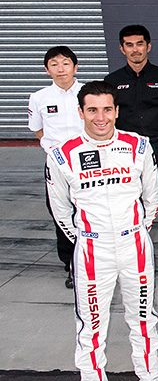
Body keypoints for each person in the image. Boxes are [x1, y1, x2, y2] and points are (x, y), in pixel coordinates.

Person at [46, 81, 158, 381]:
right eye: (92, 110)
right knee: (91, 330)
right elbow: (60, 209)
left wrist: (135, 230)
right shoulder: (62, 154)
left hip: (134, 245)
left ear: (117, 111)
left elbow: (152, 197)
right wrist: (86, 238)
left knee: (144, 319)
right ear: (81, 112)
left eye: (107, 109)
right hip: (92, 250)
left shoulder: (138, 145)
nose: (100, 117)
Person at [104, 25, 158, 271]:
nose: (135, 49)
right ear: (122, 49)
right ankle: (132, 247)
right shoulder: (112, 81)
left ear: (148, 46)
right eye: (129, 45)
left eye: (139, 44)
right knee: (128, 198)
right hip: (126, 151)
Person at [28, 45, 83, 288]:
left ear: (75, 67)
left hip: (86, 164)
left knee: (89, 211)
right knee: (60, 212)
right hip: (57, 165)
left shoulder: (88, 92)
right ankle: (71, 264)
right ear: (47, 69)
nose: (61, 69)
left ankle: (93, 260)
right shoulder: (39, 98)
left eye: (65, 63)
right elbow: (38, 130)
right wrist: (54, 153)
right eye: (54, 64)